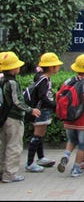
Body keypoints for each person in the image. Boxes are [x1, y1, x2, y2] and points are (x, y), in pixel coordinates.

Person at [56, 54, 84, 178]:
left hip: (68, 119)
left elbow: (58, 96)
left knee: (71, 140)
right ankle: (76, 168)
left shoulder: (68, 81)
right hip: (83, 121)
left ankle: (66, 155)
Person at [0, 51, 41, 183]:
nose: (19, 68)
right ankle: (10, 174)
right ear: (12, 69)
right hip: (13, 118)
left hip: (3, 118)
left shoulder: (2, 81)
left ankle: (2, 171)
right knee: (14, 146)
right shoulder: (12, 83)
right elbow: (17, 101)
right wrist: (31, 110)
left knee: (3, 146)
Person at [24, 52, 61, 173]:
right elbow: (43, 97)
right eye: (56, 65)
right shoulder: (44, 79)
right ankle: (30, 163)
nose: (58, 67)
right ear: (51, 67)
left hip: (42, 110)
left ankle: (41, 158)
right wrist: (55, 105)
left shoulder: (41, 77)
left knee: (40, 134)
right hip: (41, 110)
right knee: (37, 135)